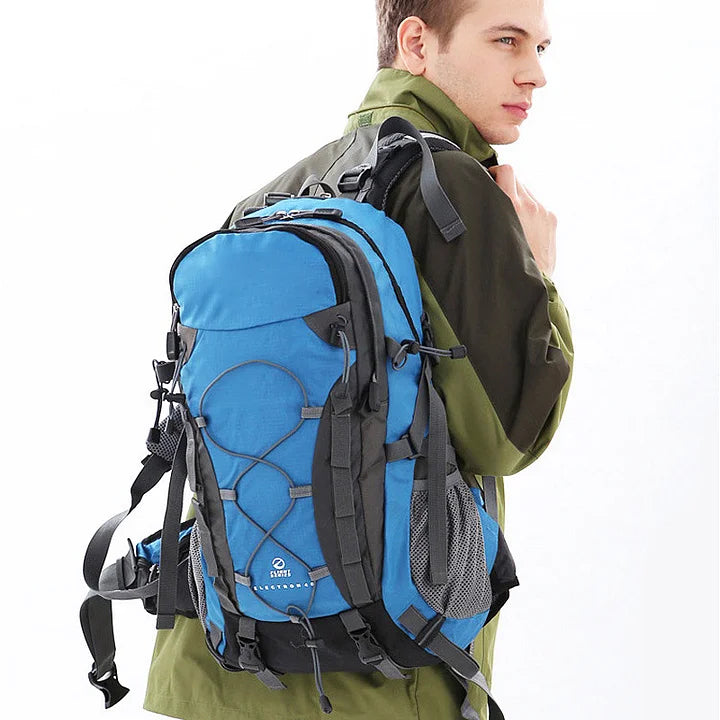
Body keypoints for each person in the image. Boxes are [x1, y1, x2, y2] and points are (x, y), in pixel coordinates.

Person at [143, 1, 574, 718]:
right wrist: (540, 277)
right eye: (507, 41)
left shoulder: (277, 192)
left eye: (541, 48)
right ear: (416, 42)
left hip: (217, 654)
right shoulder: (448, 186)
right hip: (376, 671)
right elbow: (508, 437)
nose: (534, 73)